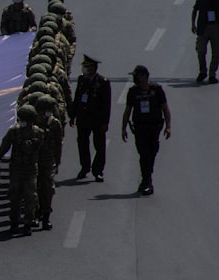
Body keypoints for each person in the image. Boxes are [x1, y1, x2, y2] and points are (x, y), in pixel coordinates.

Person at [0, 105, 45, 235]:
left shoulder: (38, 133)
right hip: (16, 169)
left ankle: (28, 223)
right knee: (14, 197)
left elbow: (39, 150)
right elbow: (5, 145)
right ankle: (14, 223)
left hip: (30, 169)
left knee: (30, 197)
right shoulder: (13, 131)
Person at [121, 65, 171, 195]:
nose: (135, 78)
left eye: (137, 75)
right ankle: (147, 181)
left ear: (144, 76)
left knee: (152, 153)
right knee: (144, 154)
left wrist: (168, 126)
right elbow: (127, 111)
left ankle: (146, 179)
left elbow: (165, 108)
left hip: (154, 127)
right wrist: (123, 128)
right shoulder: (133, 92)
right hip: (140, 128)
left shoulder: (157, 90)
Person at [69, 55, 111, 181]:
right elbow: (77, 98)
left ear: (93, 68)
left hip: (97, 120)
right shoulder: (82, 80)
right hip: (83, 118)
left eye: (87, 67)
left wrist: (105, 122)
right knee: (82, 144)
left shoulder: (103, 82)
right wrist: (73, 115)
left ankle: (98, 170)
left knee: (99, 146)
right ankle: (85, 167)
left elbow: (106, 104)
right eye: (84, 66)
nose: (84, 69)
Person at [34, 95, 63, 231]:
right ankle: (34, 213)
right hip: (33, 161)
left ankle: (46, 217)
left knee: (48, 190)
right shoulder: (32, 122)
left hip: (48, 161)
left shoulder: (54, 123)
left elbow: (58, 143)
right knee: (33, 189)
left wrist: (57, 160)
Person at [191, 0, 219, 83]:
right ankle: (203, 71)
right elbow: (195, 10)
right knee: (200, 50)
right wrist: (193, 24)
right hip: (203, 28)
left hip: (216, 28)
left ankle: (212, 74)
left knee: (216, 53)